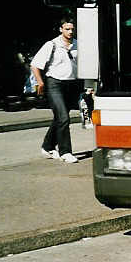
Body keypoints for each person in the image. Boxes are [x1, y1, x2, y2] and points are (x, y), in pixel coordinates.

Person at [31, 18, 80, 163]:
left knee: (60, 118)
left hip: (72, 85)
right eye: (67, 29)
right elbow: (35, 64)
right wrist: (40, 82)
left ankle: (47, 147)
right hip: (54, 84)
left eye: (72, 29)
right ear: (61, 29)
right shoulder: (51, 45)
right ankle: (65, 152)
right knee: (64, 118)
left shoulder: (78, 44)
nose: (70, 32)